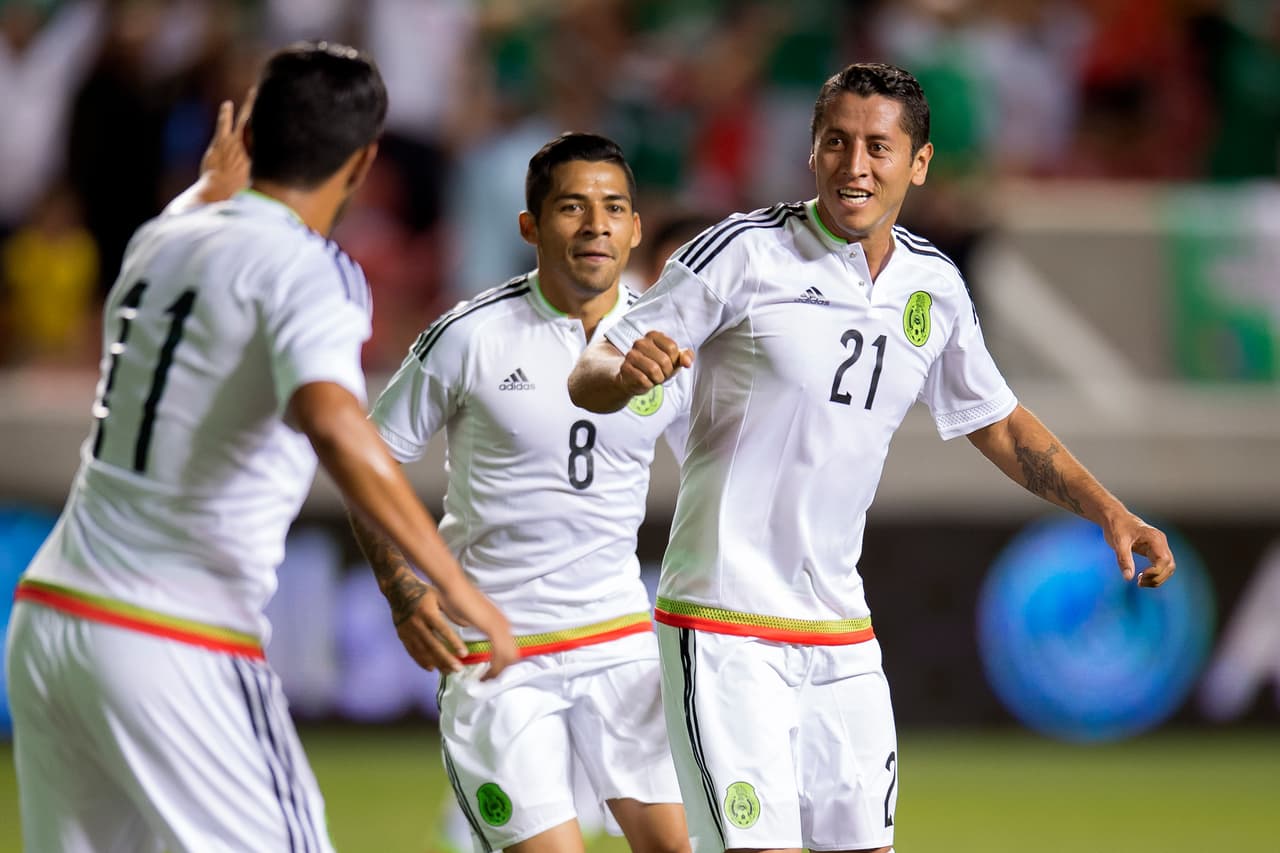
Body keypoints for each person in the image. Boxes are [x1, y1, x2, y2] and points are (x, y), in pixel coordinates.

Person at [568, 62, 1176, 853]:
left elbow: (998, 421)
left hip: (841, 636)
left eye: (879, 148)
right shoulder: (741, 254)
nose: (856, 166)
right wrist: (623, 374)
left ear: (917, 163)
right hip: (723, 629)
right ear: (812, 152)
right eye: (836, 142)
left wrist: (1111, 511)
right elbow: (590, 369)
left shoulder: (934, 287)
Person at [4, 42, 516, 853]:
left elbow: (203, 214)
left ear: (252, 132)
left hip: (52, 617)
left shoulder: (158, 240)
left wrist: (211, 184)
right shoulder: (310, 268)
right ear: (364, 161)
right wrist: (450, 580)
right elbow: (332, 418)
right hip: (175, 632)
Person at [350, 132, 692, 853]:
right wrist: (401, 590)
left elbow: (729, 478)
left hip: (619, 640)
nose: (596, 224)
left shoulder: (672, 342)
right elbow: (364, 459)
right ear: (530, 227)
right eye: (572, 207)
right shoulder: (469, 335)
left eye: (613, 208)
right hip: (497, 653)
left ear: (635, 228)